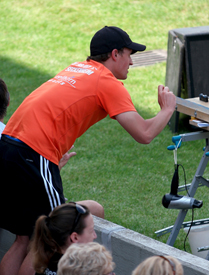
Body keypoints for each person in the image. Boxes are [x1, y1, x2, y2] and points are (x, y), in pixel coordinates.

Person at [0, 25, 175, 275]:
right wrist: (167, 110)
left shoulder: (77, 68)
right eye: (129, 53)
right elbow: (144, 134)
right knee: (49, 236)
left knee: (23, 238)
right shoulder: (107, 82)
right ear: (115, 54)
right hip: (33, 153)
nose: (132, 62)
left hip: (8, 145)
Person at [30, 202, 97, 275]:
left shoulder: (47, 263)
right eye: (91, 231)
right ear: (74, 237)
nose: (95, 236)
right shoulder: (79, 271)